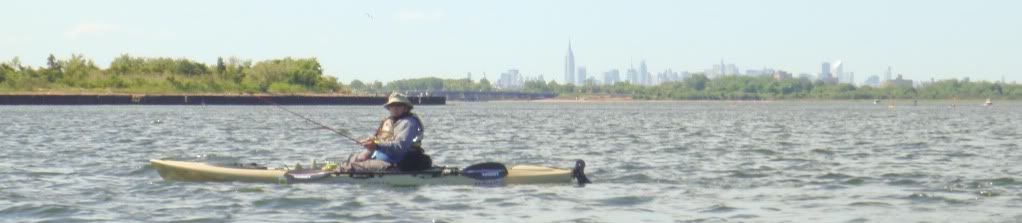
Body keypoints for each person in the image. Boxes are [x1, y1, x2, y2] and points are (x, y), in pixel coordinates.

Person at [344, 92, 426, 172]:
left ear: (406, 108)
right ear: (389, 108)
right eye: (392, 106)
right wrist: (369, 144)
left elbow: (400, 146)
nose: (395, 108)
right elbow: (376, 140)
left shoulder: (409, 123)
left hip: (400, 163)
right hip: (382, 158)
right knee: (353, 158)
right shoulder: (387, 121)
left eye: (399, 105)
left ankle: (344, 170)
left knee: (354, 166)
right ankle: (345, 168)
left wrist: (376, 145)